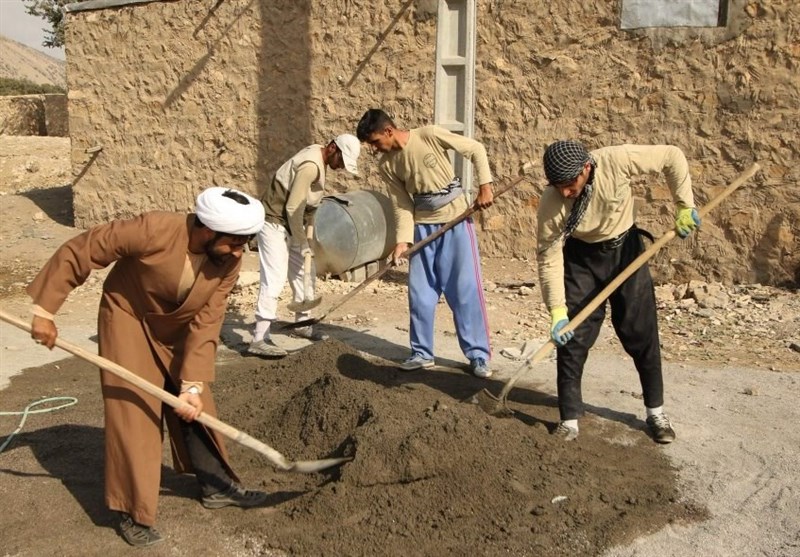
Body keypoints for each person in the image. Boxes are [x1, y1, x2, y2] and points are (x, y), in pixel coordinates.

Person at [27, 187, 270, 547]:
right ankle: (130, 511)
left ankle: (217, 486)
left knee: (197, 406)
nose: (240, 253)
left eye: (245, 244)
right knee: (135, 410)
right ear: (207, 230)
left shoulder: (227, 262)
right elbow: (85, 248)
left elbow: (208, 320)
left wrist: (192, 385)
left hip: (176, 326)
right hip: (128, 315)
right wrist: (45, 311)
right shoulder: (154, 229)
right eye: (235, 243)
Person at [536, 140, 701, 444]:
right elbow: (548, 254)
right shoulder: (552, 200)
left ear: (586, 168)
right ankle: (569, 419)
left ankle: (656, 413)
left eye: (570, 184)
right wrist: (557, 310)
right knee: (573, 337)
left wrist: (685, 205)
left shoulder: (616, 160)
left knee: (642, 333)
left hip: (626, 251)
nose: (565, 193)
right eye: (558, 186)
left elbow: (671, 156)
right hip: (582, 260)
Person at [355, 108, 495, 378]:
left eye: (374, 142)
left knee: (464, 291)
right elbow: (402, 204)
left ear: (388, 131)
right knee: (420, 294)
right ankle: (421, 353)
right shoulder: (386, 165)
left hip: (456, 221)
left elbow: (475, 149)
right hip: (422, 228)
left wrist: (485, 186)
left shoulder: (428, 135)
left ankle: (478, 355)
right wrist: (402, 241)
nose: (374, 149)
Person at [248, 134, 361, 358]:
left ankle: (302, 323)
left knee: (304, 272)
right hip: (274, 222)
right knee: (275, 277)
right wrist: (301, 241)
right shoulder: (311, 165)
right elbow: (293, 207)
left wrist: (306, 238)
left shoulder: (320, 159)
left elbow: (308, 205)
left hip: (291, 225)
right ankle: (259, 338)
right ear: (332, 148)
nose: (340, 167)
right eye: (341, 161)